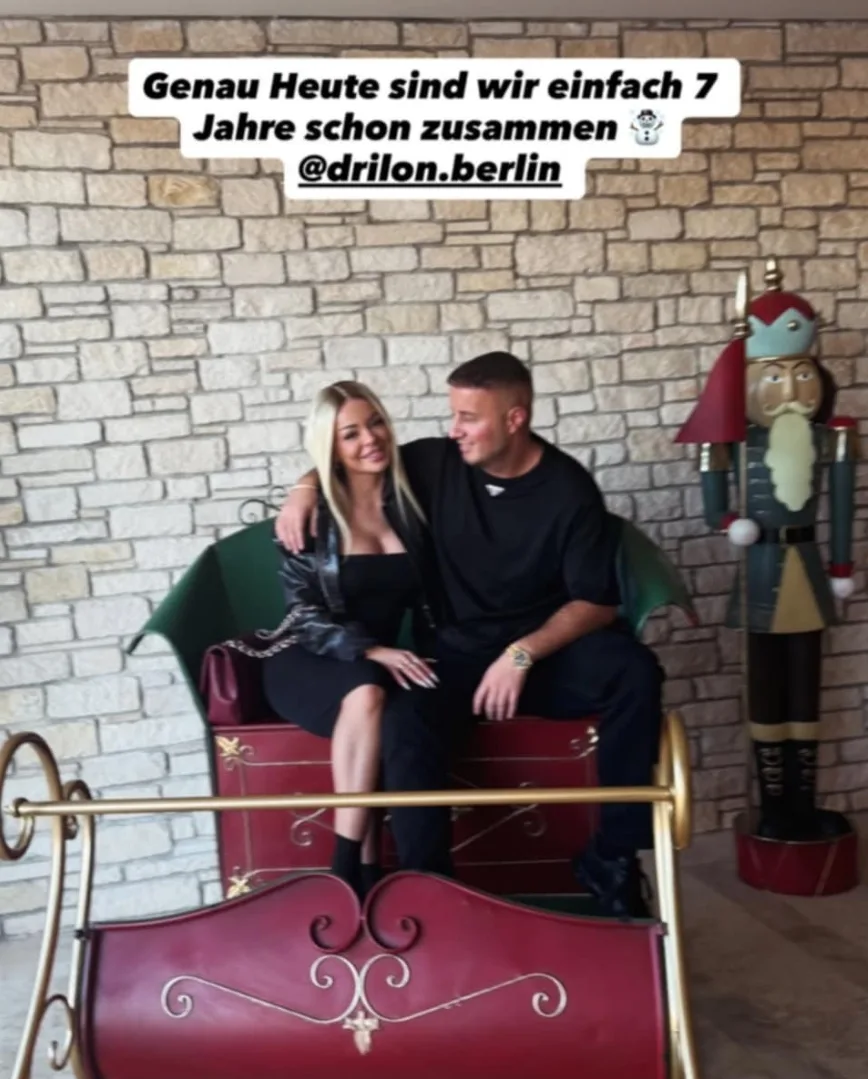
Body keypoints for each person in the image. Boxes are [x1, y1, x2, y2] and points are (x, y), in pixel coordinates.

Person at [277, 353, 665, 919]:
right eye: (453, 414)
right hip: (454, 657)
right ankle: (427, 888)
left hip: (542, 656)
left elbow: (598, 602)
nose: (453, 428)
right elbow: (353, 457)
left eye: (468, 417)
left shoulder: (569, 489)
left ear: (514, 418)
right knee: (404, 720)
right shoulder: (438, 462)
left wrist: (522, 653)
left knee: (634, 671)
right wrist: (303, 488)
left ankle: (612, 856)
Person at [261, 379, 447, 900]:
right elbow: (302, 615)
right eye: (350, 434)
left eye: (376, 422)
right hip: (307, 658)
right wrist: (371, 649)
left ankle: (371, 874)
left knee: (382, 696)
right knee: (366, 690)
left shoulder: (411, 502)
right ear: (331, 447)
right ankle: (345, 868)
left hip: (374, 665)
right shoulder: (313, 516)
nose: (370, 439)